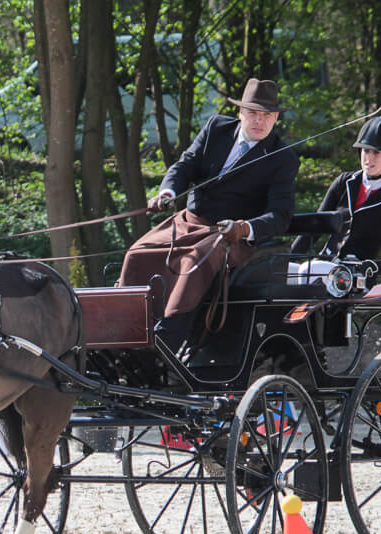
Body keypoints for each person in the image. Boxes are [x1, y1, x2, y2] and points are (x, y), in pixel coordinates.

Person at [118, 78, 300, 351]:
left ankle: (167, 340)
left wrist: (244, 228)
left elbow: (280, 215)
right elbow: (184, 166)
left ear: (275, 118)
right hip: (189, 222)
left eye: (267, 115)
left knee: (194, 262)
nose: (259, 121)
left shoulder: (283, 158)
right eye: (253, 113)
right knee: (137, 253)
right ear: (240, 112)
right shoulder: (216, 128)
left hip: (230, 237)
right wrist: (167, 192)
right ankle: (125, 327)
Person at [288, 115, 381, 285]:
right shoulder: (344, 182)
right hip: (324, 266)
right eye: (365, 151)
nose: (368, 159)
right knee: (283, 273)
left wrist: (376, 266)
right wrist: (288, 258)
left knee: (306, 270)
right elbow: (315, 226)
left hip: (355, 278)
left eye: (376, 153)